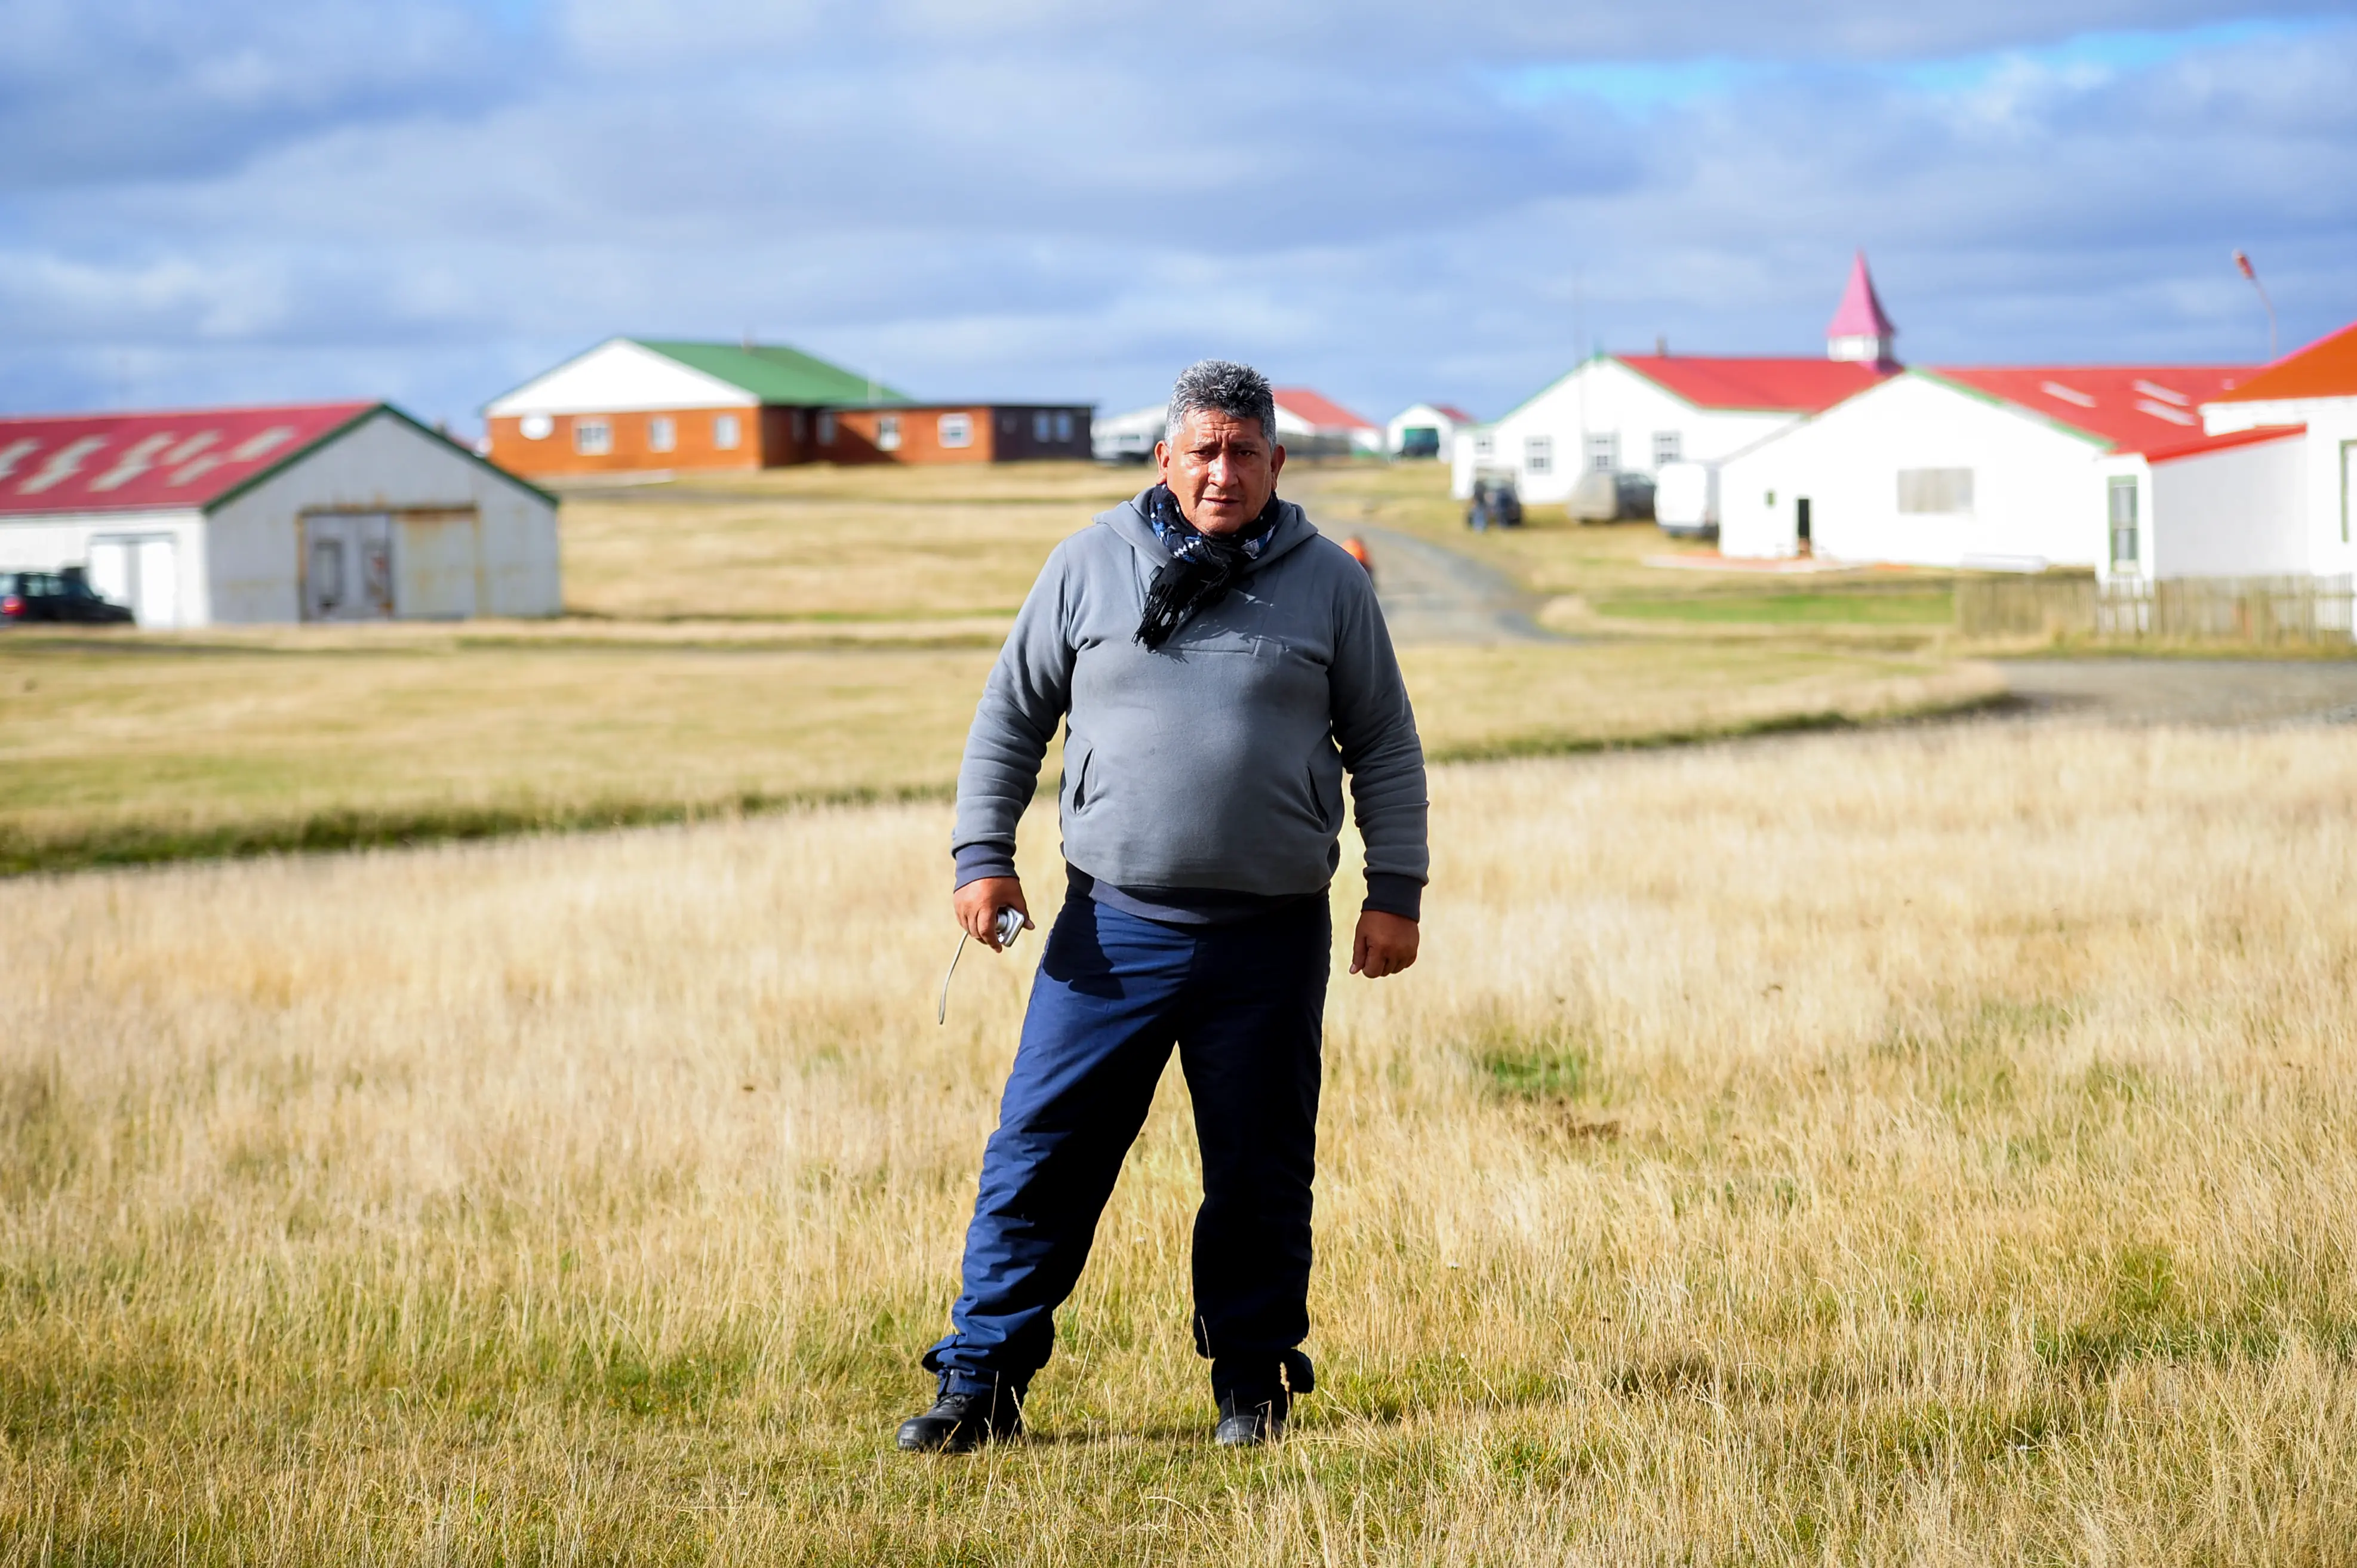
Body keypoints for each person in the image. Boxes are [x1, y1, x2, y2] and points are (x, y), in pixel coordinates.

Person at [898, 359, 1429, 1453]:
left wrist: (1397, 891)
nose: (1223, 472)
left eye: (1245, 452)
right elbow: (1011, 716)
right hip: (1113, 929)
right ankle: (981, 1382)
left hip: (1273, 937)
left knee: (1259, 1167)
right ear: (1166, 458)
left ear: (1278, 462)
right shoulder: (1089, 564)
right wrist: (979, 856)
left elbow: (1383, 743)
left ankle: (1253, 1385)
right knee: (1040, 1154)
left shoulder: (1331, 581)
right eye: (1204, 451)